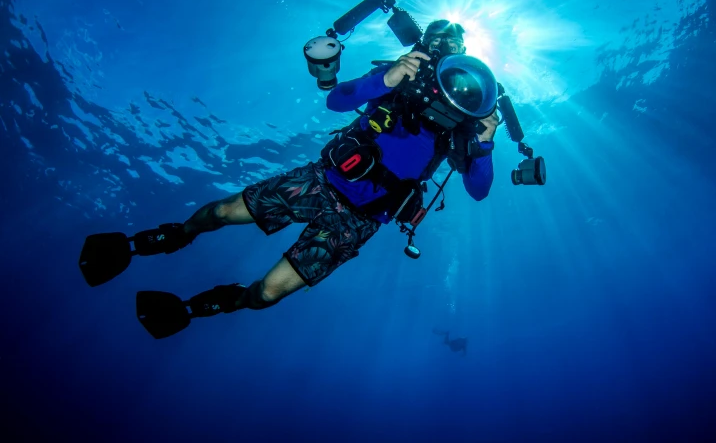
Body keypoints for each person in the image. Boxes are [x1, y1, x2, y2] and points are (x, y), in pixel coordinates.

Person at [79, 20, 501, 339]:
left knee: (268, 294)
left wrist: (485, 139)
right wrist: (387, 79)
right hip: (321, 180)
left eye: (456, 45)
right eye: (438, 38)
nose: (446, 48)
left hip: (361, 219)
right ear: (425, 44)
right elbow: (336, 100)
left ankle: (205, 306)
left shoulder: (466, 123)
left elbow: (479, 190)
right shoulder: (400, 76)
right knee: (224, 211)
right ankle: (175, 235)